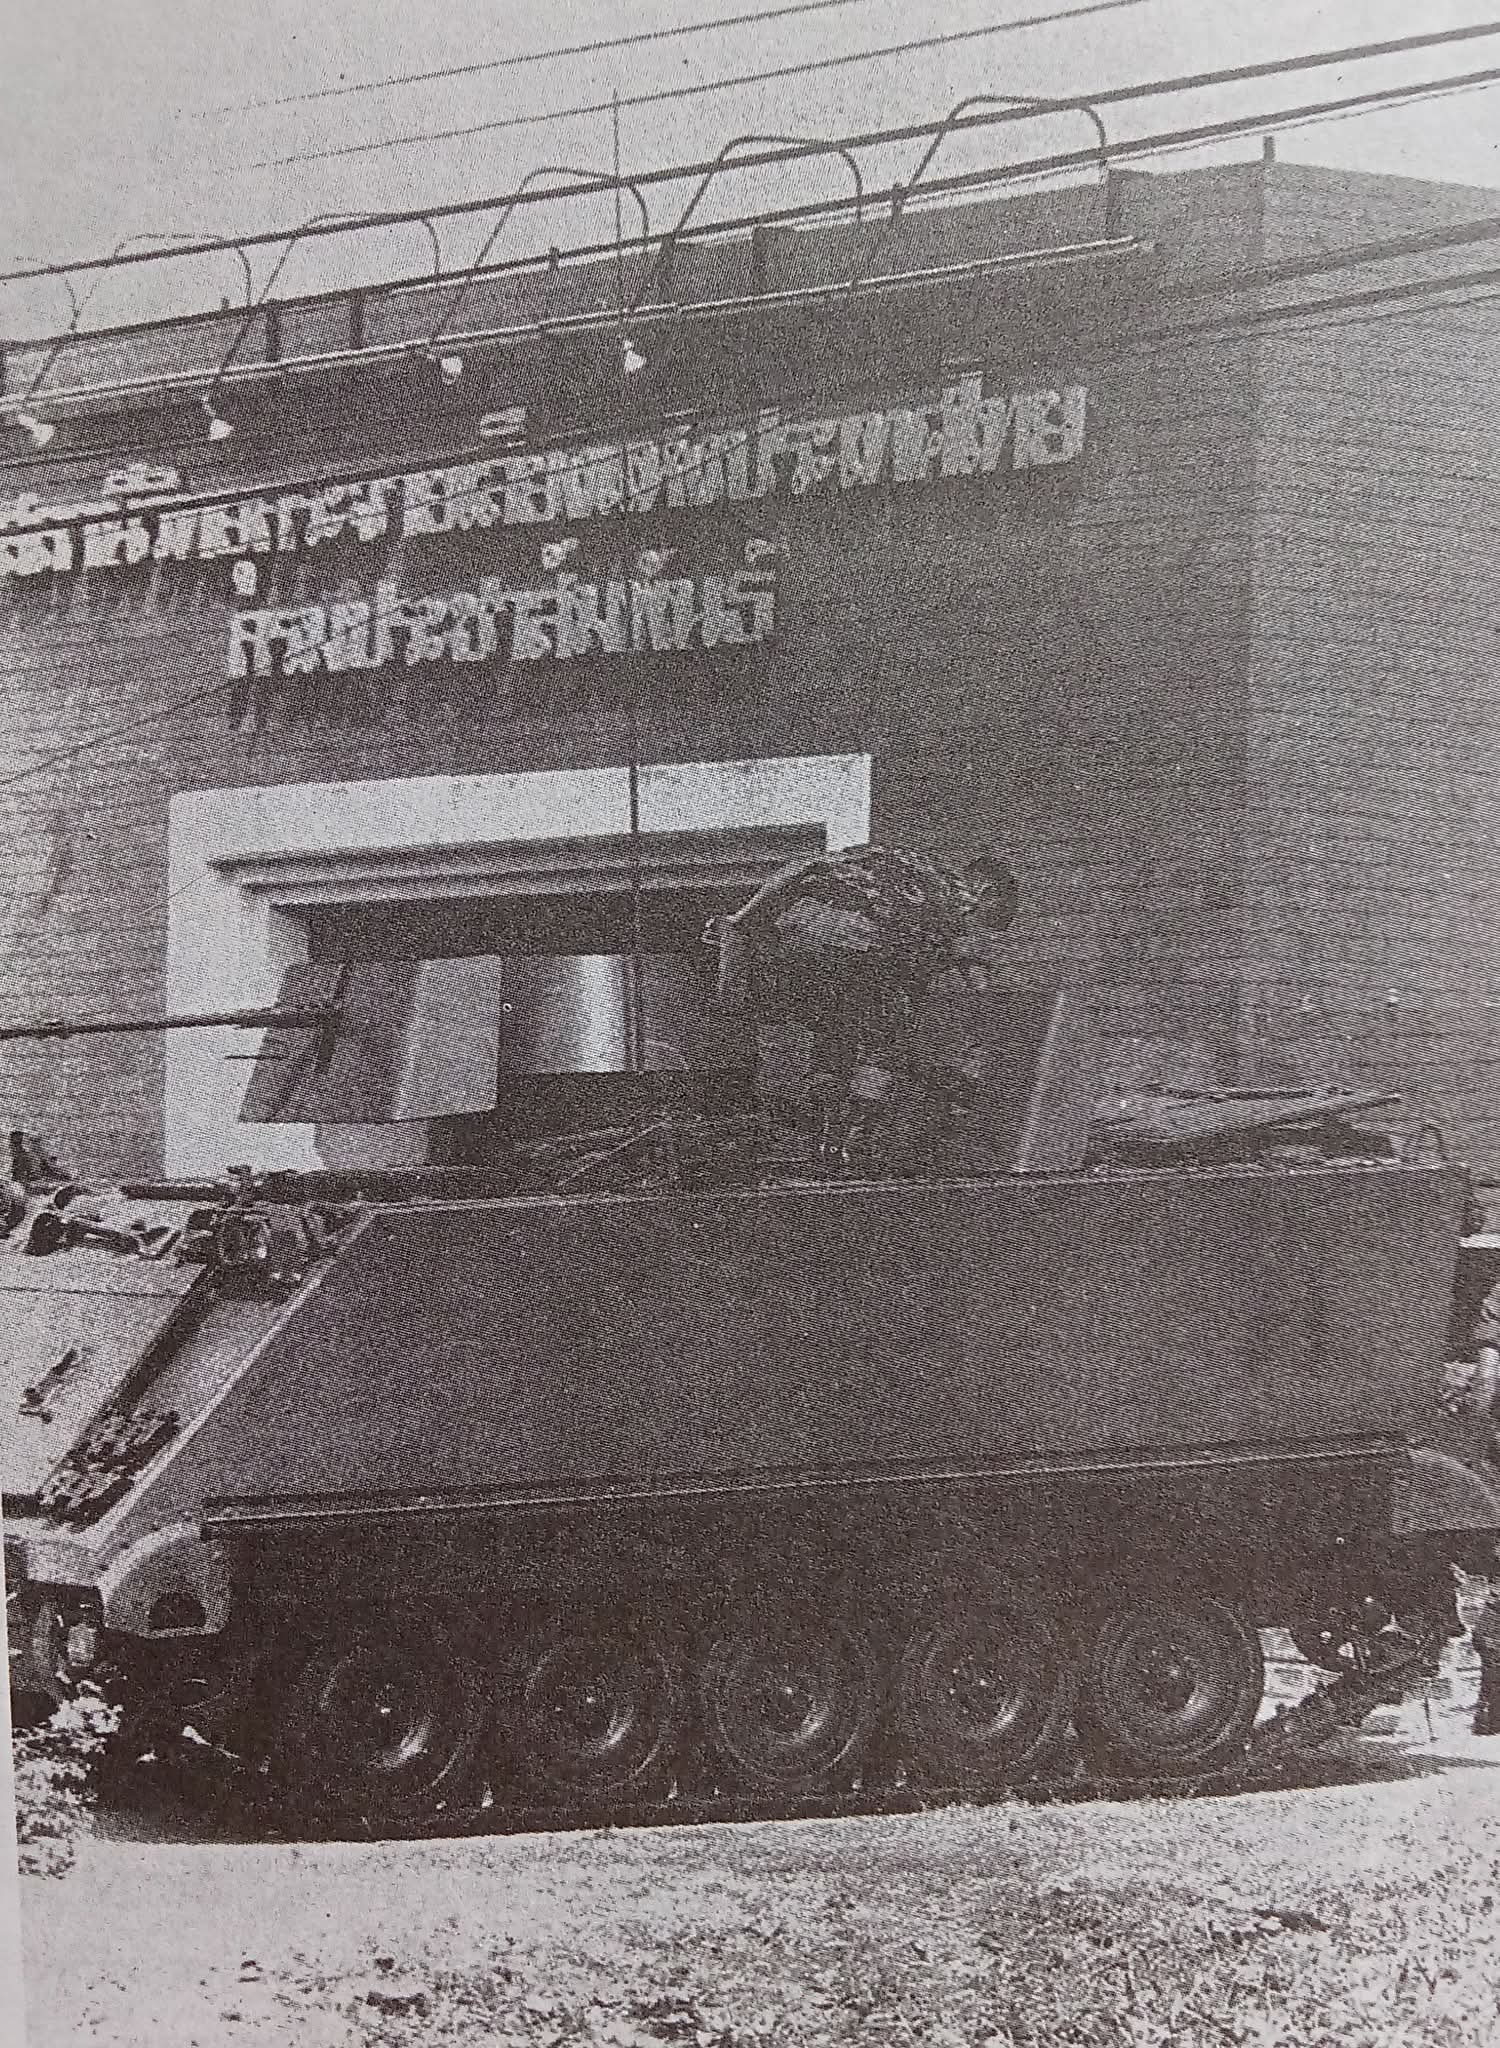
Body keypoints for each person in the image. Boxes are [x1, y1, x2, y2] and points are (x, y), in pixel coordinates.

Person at [708, 845, 1020, 1169]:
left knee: (836, 1035)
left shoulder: (905, 863)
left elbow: (804, 865)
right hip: (858, 950)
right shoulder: (957, 901)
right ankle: (852, 1135)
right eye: (1000, 915)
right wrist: (981, 1036)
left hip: (795, 943)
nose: (997, 926)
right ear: (986, 891)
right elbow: (961, 979)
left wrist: (742, 919)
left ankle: (827, 1131)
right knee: (883, 1044)